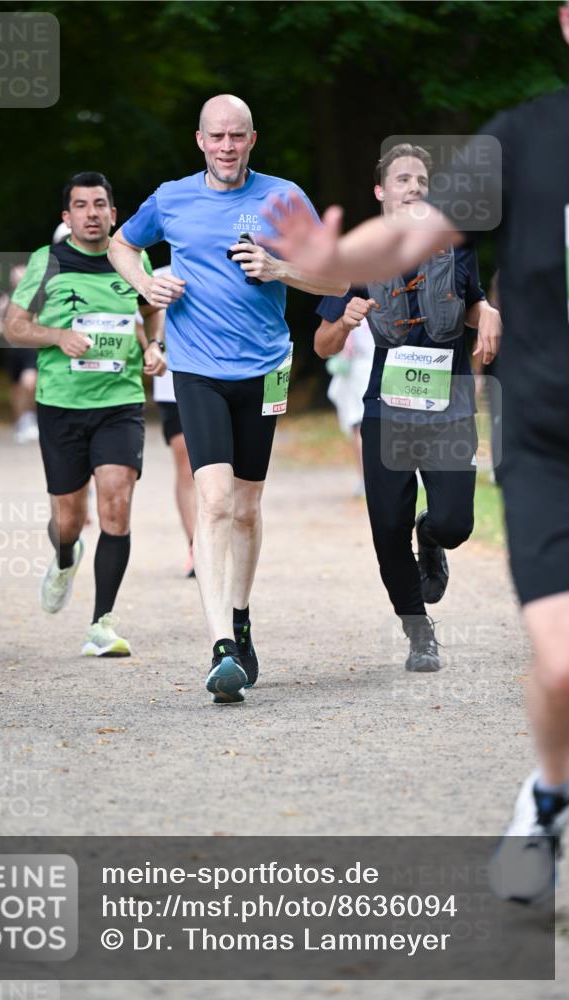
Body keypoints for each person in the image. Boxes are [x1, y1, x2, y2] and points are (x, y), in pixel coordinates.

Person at [264, 1, 569, 901]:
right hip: (550, 437)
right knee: (561, 662)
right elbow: (406, 235)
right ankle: (547, 796)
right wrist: (333, 258)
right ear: (564, 21)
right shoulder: (518, 142)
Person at [108, 94, 347, 704]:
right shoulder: (172, 198)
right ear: (200, 141)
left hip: (264, 370)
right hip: (196, 369)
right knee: (213, 500)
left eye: (236, 136)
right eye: (216, 137)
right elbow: (120, 244)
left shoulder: (284, 198)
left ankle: (240, 615)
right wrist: (146, 283)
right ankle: (220, 648)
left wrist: (279, 270)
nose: (226, 147)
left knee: (246, 506)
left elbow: (337, 279)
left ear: (252, 140)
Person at [313, 144, 501, 673]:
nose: (414, 188)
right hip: (386, 409)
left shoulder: (455, 247)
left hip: (450, 404)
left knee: (456, 523)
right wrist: (344, 321)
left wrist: (486, 312)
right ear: (381, 192)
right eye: (402, 180)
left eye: (421, 180)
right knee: (385, 526)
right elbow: (322, 346)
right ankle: (419, 633)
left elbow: (470, 306)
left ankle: (432, 535)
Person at [4, 171, 166, 656]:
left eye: (100, 205)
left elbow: (152, 307)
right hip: (62, 406)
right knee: (70, 518)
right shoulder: (48, 262)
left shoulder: (133, 259)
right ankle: (63, 554)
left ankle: (102, 624)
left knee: (116, 504)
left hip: (119, 404)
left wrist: (155, 345)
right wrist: (58, 337)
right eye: (81, 205)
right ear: (67, 216)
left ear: (114, 214)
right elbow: (14, 326)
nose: (92, 214)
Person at [136, 269, 197, 577]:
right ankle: (196, 548)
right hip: (173, 384)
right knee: (186, 465)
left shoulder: (228, 264)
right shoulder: (157, 276)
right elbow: (139, 320)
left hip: (226, 381)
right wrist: (153, 347)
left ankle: (222, 541)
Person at [321, 316, 374, 498]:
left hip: (358, 372)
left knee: (358, 429)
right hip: (379, 370)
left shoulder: (353, 311)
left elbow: (345, 348)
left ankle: (365, 479)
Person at [0, 264, 39, 444]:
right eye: (15, 277)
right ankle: (21, 422)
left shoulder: (35, 299)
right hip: (13, 351)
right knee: (16, 388)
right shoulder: (5, 299)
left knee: (30, 383)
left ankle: (30, 417)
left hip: (30, 349)